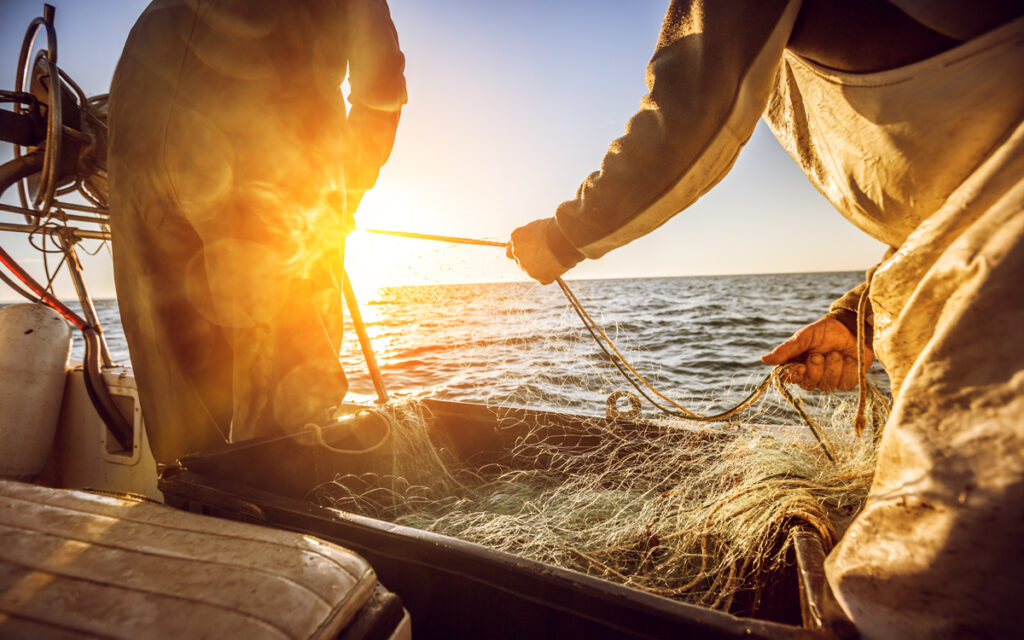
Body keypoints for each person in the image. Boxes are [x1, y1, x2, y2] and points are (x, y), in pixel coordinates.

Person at [507, 1, 1024, 637]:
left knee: (915, 600)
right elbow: (968, 190)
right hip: (988, 235)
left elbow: (694, 106)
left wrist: (563, 234)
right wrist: (857, 322)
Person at [107, 0, 406, 465]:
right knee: (288, 401)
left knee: (174, 383)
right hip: (266, 121)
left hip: (140, 102)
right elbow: (379, 84)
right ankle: (279, 517)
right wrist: (343, 192)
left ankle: (196, 511)